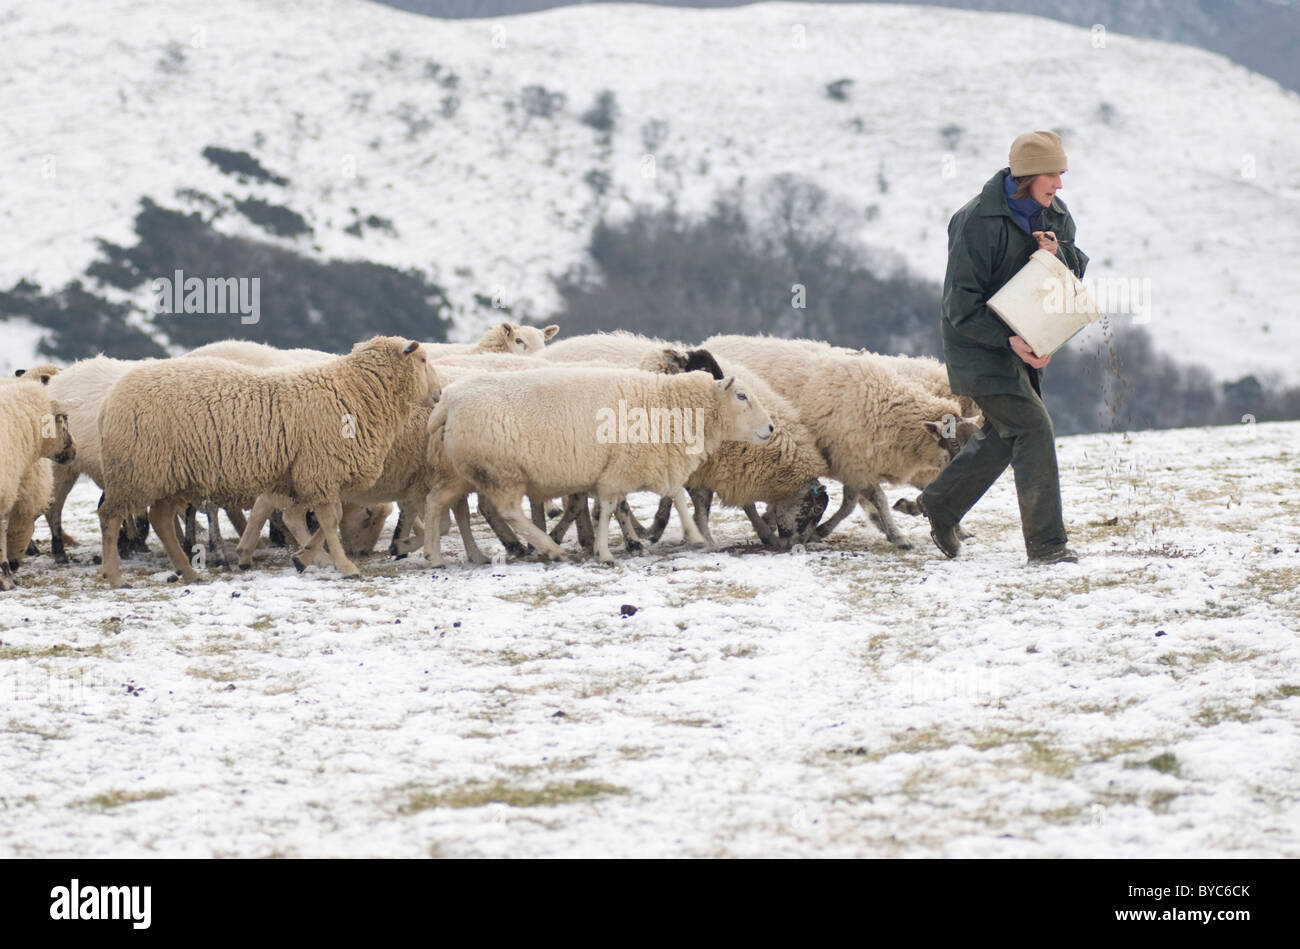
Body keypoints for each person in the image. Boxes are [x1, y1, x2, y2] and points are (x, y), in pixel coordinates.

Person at [918, 130, 1088, 565]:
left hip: (1027, 345)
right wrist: (1008, 339)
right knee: (1032, 428)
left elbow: (1072, 270)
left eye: (1062, 174)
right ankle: (1048, 546)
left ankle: (941, 504)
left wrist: (1059, 254)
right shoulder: (976, 221)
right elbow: (959, 305)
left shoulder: (1056, 214)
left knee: (1004, 434)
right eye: (1052, 174)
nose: (1060, 185)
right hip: (979, 346)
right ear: (1028, 176)